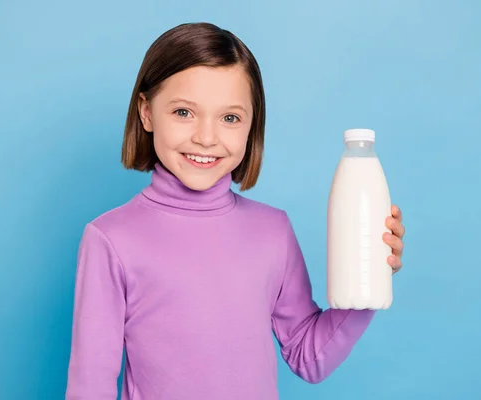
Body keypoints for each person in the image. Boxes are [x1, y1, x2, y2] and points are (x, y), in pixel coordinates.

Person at [65, 22, 406, 400]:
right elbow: (89, 386)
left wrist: (370, 280)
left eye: (230, 118)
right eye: (183, 112)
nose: (206, 137)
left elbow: (311, 358)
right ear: (146, 112)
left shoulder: (272, 230)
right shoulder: (111, 240)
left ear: (250, 125)